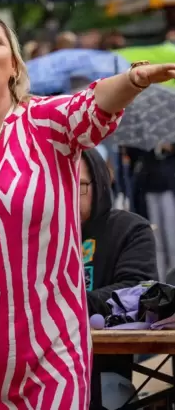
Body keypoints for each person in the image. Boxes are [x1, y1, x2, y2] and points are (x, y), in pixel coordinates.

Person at [0, 11, 175, 409]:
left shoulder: (48, 122)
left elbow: (93, 105)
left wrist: (133, 80)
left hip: (50, 356)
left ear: (13, 65)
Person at [80, 149, 157, 409]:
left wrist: (68, 304)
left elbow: (139, 291)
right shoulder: (38, 235)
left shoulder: (129, 230)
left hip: (102, 374)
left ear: (100, 182)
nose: (66, 195)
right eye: (59, 185)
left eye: (78, 185)